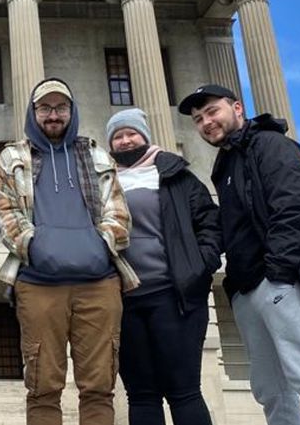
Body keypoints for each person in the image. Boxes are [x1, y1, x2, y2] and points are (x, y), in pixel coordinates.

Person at [179, 84, 300, 425]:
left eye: (212, 111)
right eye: (199, 119)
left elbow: (292, 206)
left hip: (281, 278)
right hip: (247, 286)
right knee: (270, 388)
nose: (206, 122)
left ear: (237, 108)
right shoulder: (226, 163)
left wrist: (280, 272)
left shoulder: (270, 144)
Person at [0, 77, 138, 425]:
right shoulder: (10, 158)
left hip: (99, 283)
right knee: (42, 387)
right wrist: (38, 245)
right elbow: (7, 214)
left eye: (60, 107)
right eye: (45, 108)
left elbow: (119, 213)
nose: (53, 115)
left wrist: (97, 246)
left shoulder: (97, 154)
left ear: (72, 111)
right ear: (33, 112)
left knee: (100, 386)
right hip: (38, 283)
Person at [104, 108, 221, 425]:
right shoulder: (103, 181)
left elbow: (209, 225)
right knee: (141, 395)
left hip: (174, 295)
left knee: (184, 392)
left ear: (145, 136)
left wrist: (200, 265)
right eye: (118, 136)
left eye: (132, 133)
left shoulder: (176, 175)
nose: (126, 140)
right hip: (124, 299)